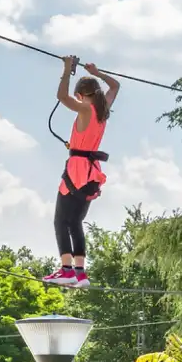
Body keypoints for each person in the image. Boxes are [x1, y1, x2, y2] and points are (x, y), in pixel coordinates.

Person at [44, 55, 119, 288]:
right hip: (92, 172)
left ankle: (66, 270)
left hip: (77, 170)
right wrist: (98, 73)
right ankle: (80, 273)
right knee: (75, 221)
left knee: (60, 221)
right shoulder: (103, 108)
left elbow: (61, 97)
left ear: (81, 95)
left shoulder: (85, 109)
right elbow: (115, 86)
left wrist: (66, 70)